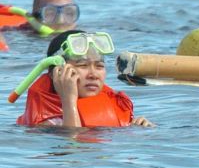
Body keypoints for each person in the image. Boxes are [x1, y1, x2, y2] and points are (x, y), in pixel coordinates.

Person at [16, 30, 153, 128]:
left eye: (99, 66)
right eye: (82, 65)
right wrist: (69, 100)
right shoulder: (44, 123)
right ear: (56, 72)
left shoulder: (110, 102)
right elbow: (73, 146)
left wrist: (135, 126)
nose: (93, 74)